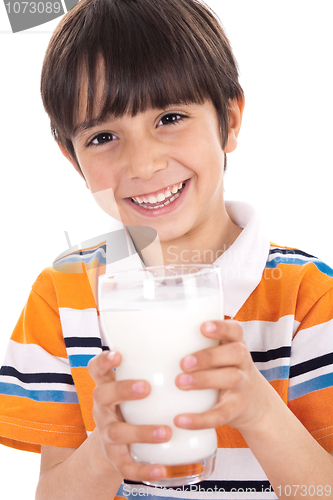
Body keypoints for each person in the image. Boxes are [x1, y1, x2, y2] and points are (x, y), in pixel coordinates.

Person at [0, 0, 333, 499]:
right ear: (72, 159)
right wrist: (104, 452)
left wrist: (259, 410)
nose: (144, 163)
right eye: (104, 136)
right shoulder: (63, 296)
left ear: (231, 119)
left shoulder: (309, 296)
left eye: (170, 117)